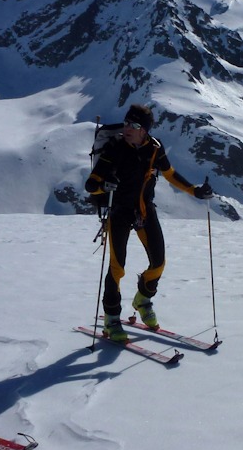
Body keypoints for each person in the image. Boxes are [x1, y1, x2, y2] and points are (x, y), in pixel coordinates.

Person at [85, 104, 214, 342]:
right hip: (119, 212)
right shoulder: (114, 148)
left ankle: (142, 299)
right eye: (126, 123)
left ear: (144, 131)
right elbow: (91, 183)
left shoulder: (154, 149)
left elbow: (170, 173)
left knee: (158, 264)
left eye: (134, 126)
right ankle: (111, 318)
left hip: (144, 211)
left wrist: (195, 191)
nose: (127, 129)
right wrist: (105, 185)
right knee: (117, 268)